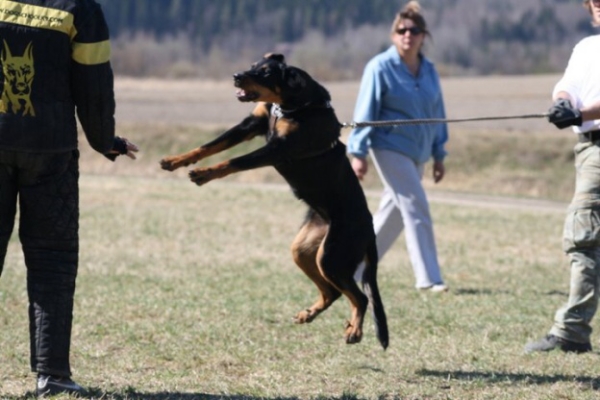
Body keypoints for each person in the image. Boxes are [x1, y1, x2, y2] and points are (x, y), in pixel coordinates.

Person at [0, 0, 139, 396]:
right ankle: (53, 376)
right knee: (53, 262)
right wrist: (104, 141)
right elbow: (93, 87)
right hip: (51, 149)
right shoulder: (80, 8)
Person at [348, 1, 449, 292]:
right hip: (388, 146)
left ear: (423, 35)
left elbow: (437, 111)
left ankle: (352, 270)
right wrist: (358, 152)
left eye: (414, 30)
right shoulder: (380, 67)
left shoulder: (429, 70)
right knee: (416, 207)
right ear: (394, 35)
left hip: (419, 151)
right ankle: (429, 279)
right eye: (402, 30)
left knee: (392, 217)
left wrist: (439, 154)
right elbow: (365, 111)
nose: (408, 34)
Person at [525, 0, 600, 354]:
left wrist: (581, 113)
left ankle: (571, 331)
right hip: (588, 148)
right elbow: (568, 84)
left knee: (583, 234)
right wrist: (563, 103)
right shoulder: (586, 47)